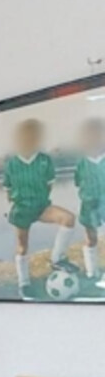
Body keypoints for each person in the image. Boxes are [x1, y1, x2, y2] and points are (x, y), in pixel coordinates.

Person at [2, 118, 72, 296]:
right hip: (21, 210)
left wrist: (38, 201)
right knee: (22, 246)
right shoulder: (11, 164)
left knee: (68, 218)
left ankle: (57, 258)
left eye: (34, 136)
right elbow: (8, 192)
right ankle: (24, 284)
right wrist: (19, 203)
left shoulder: (45, 160)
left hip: (41, 207)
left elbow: (49, 186)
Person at [74, 116, 105, 279]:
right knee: (91, 238)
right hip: (89, 204)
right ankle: (92, 273)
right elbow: (78, 182)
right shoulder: (81, 163)